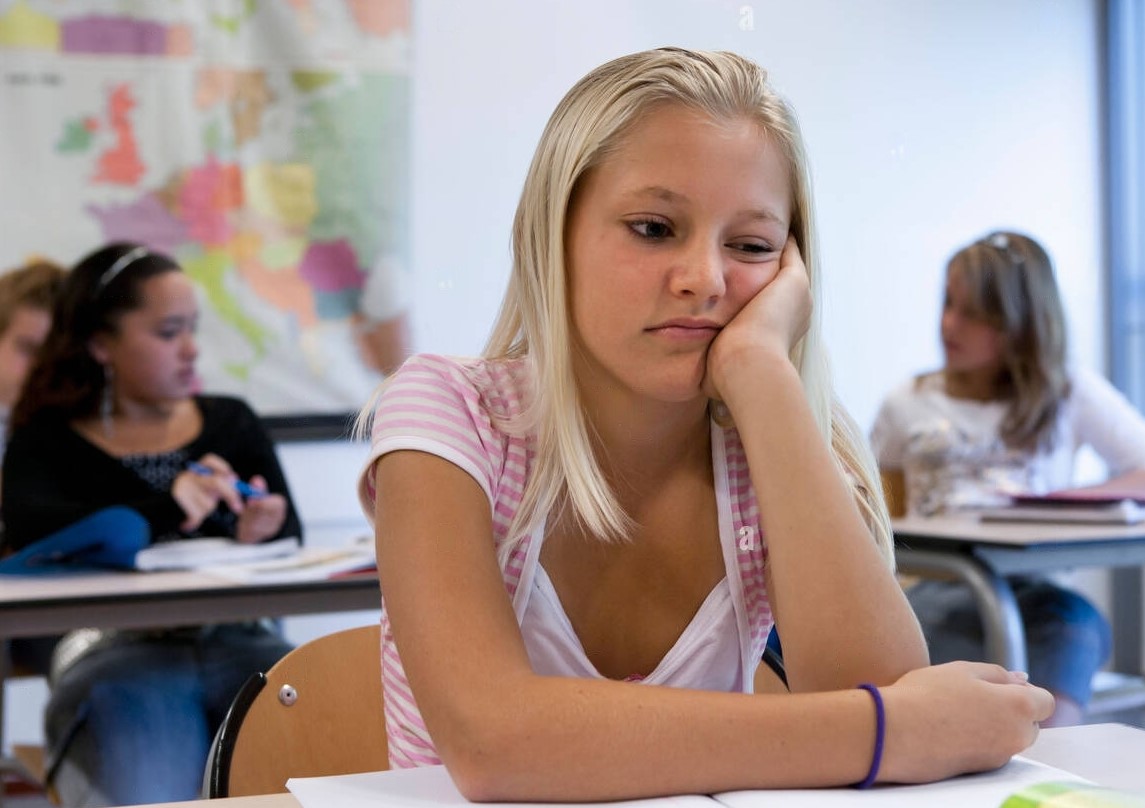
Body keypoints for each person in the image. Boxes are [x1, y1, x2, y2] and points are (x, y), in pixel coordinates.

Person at [356, 48, 1052, 802]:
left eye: (751, 246)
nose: (706, 280)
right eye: (653, 228)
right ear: (550, 236)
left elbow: (877, 691)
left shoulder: (778, 439)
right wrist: (885, 731)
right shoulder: (448, 413)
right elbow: (495, 744)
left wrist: (761, 373)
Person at [1, 242, 302, 807]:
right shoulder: (45, 438)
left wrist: (262, 528)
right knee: (142, 734)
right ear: (100, 345)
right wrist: (170, 505)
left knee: (316, 718)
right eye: (168, 333)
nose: (191, 350)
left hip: (237, 637)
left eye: (193, 329)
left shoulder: (232, 421)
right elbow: (33, 532)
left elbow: (290, 534)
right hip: (111, 649)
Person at [870, 229, 1145, 727]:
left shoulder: (1066, 393)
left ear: (1019, 323)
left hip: (1037, 596)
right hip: (939, 588)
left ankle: (1044, 773)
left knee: (1075, 622)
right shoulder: (908, 401)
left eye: (973, 313)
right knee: (997, 635)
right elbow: (876, 520)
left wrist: (1067, 499)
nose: (948, 324)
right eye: (947, 303)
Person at [0, 259, 68, 674]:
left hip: (58, 603)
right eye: (28, 349)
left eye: (55, 355)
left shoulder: (87, 430)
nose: (42, 370)